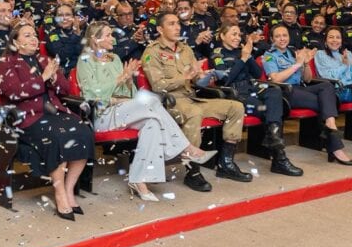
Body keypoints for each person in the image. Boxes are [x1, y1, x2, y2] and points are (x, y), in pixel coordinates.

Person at [77, 22, 214, 202]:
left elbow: (129, 94)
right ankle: (185, 148)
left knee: (153, 124)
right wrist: (120, 79)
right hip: (103, 115)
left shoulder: (115, 59)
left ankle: (139, 180)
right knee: (151, 100)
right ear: (95, 39)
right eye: (108, 35)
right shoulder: (85, 61)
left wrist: (127, 81)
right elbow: (91, 95)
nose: (113, 38)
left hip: (124, 109)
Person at [0, 20, 94, 220]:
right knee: (58, 137)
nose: (34, 39)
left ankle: (69, 189)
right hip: (29, 117)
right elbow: (13, 93)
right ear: (15, 42)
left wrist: (54, 78)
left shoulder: (44, 60)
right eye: (27, 35)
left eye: (34, 35)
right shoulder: (7, 63)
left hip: (54, 112)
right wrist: (42, 78)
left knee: (84, 132)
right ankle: (60, 194)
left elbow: (65, 89)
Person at [141, 11, 250, 191]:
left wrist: (204, 76)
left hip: (192, 97)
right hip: (171, 102)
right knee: (194, 112)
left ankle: (226, 163)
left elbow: (197, 81)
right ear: (160, 29)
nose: (177, 27)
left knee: (236, 107)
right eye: (171, 24)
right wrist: (184, 77)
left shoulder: (186, 49)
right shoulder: (152, 52)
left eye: (178, 23)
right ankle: (192, 172)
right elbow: (158, 85)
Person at [211, 23, 310, 171]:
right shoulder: (217, 54)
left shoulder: (242, 51)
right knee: (272, 111)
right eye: (233, 34)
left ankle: (275, 143)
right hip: (234, 93)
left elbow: (257, 73)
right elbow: (225, 79)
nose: (237, 38)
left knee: (275, 91)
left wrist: (249, 56)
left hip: (252, 88)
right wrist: (243, 59)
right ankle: (279, 158)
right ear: (222, 36)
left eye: (239, 35)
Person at [259, 24, 352, 165]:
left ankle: (330, 124)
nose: (282, 39)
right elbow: (275, 79)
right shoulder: (269, 56)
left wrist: (305, 64)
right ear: (272, 39)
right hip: (285, 92)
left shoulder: (292, 53)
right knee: (326, 103)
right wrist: (297, 64)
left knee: (327, 86)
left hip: (300, 88)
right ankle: (335, 146)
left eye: (284, 35)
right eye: (278, 36)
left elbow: (307, 79)